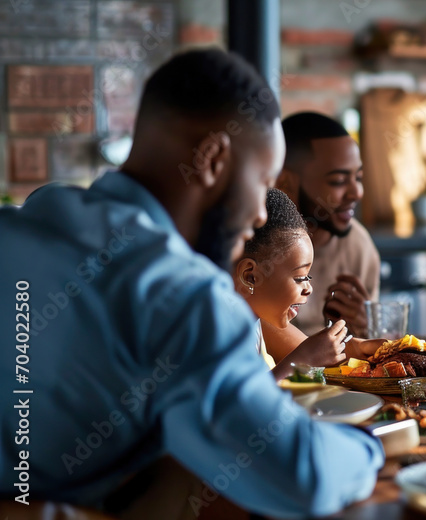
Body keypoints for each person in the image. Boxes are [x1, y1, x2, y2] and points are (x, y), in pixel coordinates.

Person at [0, 49, 383, 517]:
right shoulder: (183, 294)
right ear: (213, 159)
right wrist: (370, 445)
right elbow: (305, 477)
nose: (261, 214)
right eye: (261, 182)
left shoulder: (29, 219)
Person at [234, 188, 383, 377]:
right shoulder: (217, 329)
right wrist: (301, 361)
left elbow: (307, 349)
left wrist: (361, 347)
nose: (309, 289)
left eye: (308, 277)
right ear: (250, 276)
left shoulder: (255, 321)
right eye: (299, 278)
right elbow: (236, 404)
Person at [271, 113, 380, 358]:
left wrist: (361, 328)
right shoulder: (252, 246)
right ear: (284, 182)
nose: (357, 192)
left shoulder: (358, 246)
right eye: (339, 180)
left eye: (359, 178)